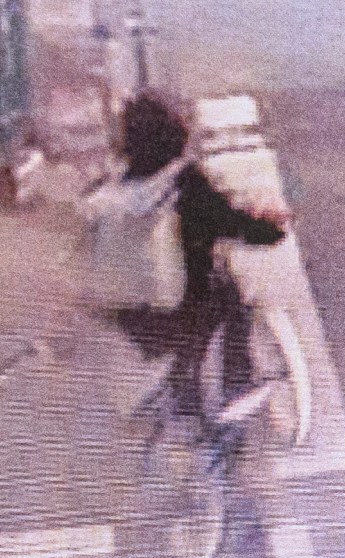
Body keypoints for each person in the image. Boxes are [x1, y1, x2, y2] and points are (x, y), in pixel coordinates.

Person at [92, 90, 284, 442]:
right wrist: (270, 227)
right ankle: (235, 386)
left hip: (129, 321)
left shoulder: (113, 194)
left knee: (190, 309)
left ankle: (183, 397)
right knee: (228, 295)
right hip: (180, 316)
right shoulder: (185, 184)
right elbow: (235, 224)